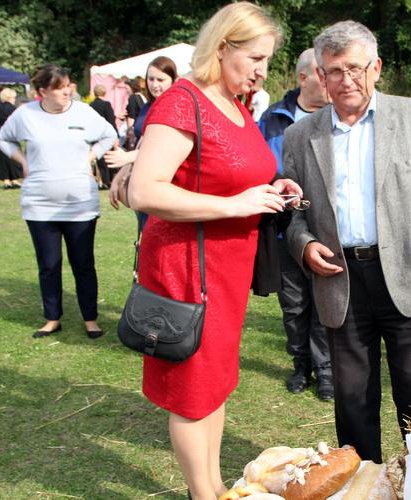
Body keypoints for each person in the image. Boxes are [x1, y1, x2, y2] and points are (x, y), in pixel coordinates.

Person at [126, 4, 300, 498]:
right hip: (187, 267)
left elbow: (232, 173)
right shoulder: (182, 102)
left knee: (215, 383)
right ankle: (203, 494)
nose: (263, 70)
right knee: (192, 391)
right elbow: (144, 190)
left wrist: (272, 186)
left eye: (268, 60)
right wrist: (234, 205)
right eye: (256, 58)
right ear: (223, 48)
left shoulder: (235, 104)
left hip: (226, 268)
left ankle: (214, 486)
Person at [283, 20, 411, 463]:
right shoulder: (300, 136)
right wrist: (304, 244)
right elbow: (293, 214)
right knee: (352, 403)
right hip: (340, 281)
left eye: (355, 68)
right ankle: (365, 484)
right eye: (335, 71)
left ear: (376, 68)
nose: (346, 79)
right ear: (320, 76)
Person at [0, 64, 117, 339]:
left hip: (80, 205)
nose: (67, 91)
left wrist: (91, 157)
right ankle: (52, 318)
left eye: (68, 85)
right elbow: (3, 138)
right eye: (59, 88)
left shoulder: (83, 112)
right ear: (42, 92)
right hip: (40, 205)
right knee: (49, 264)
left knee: (83, 264)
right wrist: (23, 160)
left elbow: (110, 134)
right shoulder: (25, 114)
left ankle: (90, 319)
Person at [258, 48, 332, 399]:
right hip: (284, 229)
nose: (330, 78)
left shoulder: (340, 116)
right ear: (304, 77)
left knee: (325, 303)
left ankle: (327, 371)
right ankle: (301, 365)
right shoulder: (274, 117)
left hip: (327, 230)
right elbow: (259, 166)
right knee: (294, 305)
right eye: (323, 71)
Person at [106, 56, 178, 232]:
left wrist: (128, 157)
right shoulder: (148, 106)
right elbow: (142, 143)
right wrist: (119, 177)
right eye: (150, 79)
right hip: (143, 181)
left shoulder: (176, 107)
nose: (154, 85)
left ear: (173, 80)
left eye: (160, 79)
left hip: (165, 182)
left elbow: (165, 147)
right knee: (144, 235)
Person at [0, 88, 24, 189]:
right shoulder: (13, 109)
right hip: (11, 135)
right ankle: (14, 179)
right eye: (14, 97)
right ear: (9, 97)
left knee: (2, 158)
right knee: (14, 157)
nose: (14, 99)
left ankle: (6, 180)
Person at [90, 84, 119, 189]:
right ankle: (110, 180)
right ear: (104, 93)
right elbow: (111, 121)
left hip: (95, 135)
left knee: (100, 159)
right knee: (109, 158)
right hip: (106, 135)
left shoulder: (91, 105)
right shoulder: (106, 105)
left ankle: (104, 181)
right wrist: (116, 136)